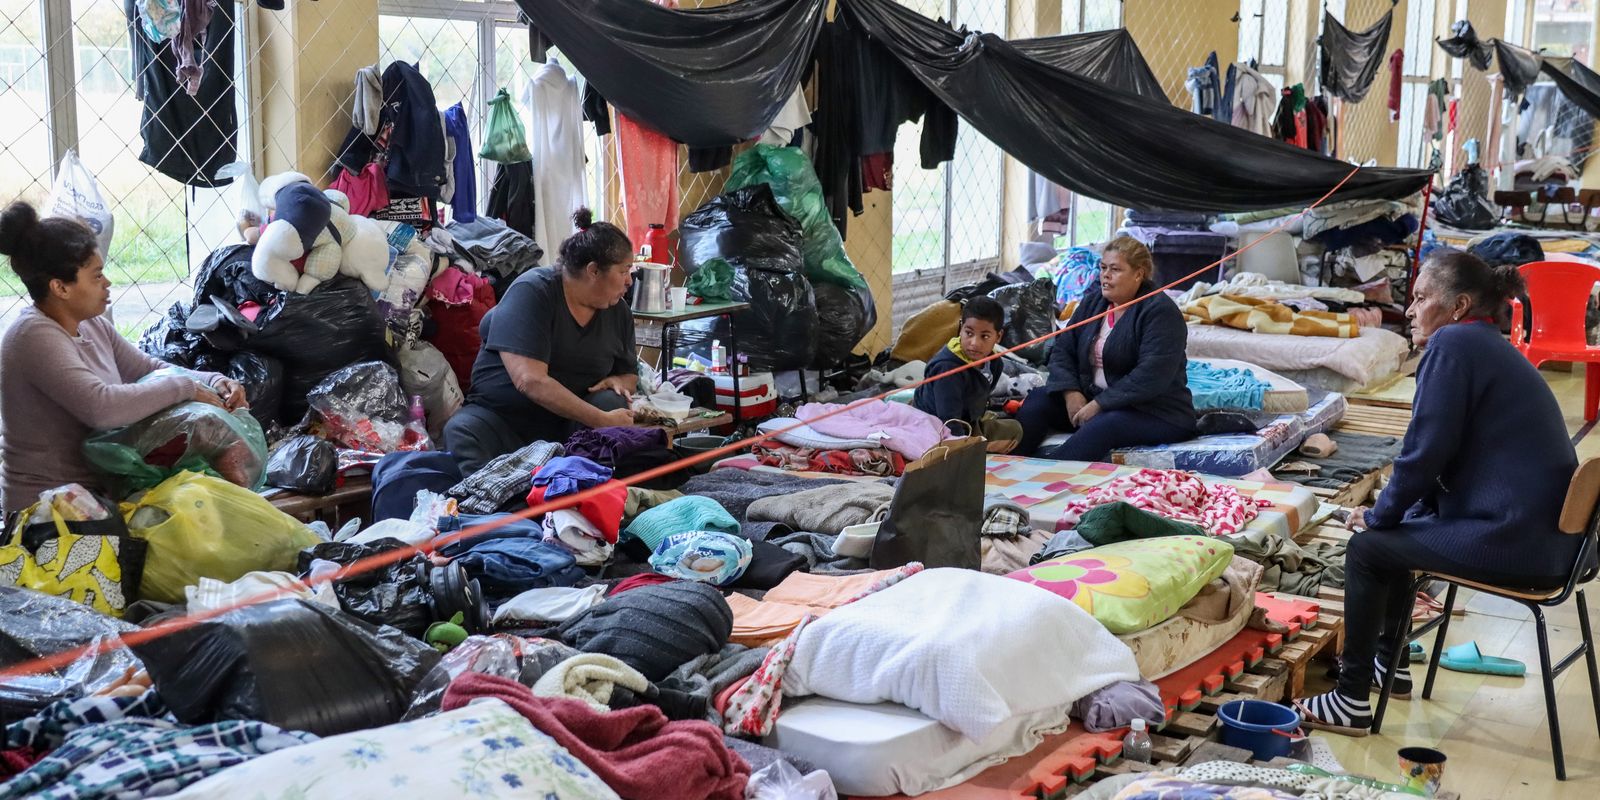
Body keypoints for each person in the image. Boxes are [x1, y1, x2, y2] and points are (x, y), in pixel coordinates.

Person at [1295, 250, 1578, 736]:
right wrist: (1394, 514)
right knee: (1398, 533)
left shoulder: (1454, 345)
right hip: (1557, 544)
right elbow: (1444, 458)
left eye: (1422, 297)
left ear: (1459, 306)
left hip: (1518, 543)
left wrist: (1378, 516)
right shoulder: (1486, 345)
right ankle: (1392, 666)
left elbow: (1424, 452)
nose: (1409, 309)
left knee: (1368, 549)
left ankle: (1351, 699)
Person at [0, 202, 247, 517]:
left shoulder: (90, 323)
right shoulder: (32, 336)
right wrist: (184, 387)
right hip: (48, 514)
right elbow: (101, 407)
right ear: (60, 287)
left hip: (97, 499)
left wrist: (214, 382)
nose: (107, 283)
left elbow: (147, 369)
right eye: (96, 276)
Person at [445, 209, 639, 474]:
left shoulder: (617, 311)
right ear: (593, 270)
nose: (630, 281)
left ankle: (579, 491)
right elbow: (530, 380)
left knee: (611, 401)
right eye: (624, 270)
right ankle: (501, 503)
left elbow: (629, 376)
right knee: (463, 429)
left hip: (568, 427)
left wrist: (618, 383)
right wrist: (601, 419)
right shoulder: (533, 291)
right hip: (504, 423)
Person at [1015, 236, 1195, 459]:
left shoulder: (1160, 312)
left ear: (1138, 274)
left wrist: (1100, 404)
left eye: (1115, 269)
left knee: (1104, 425)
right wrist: (1071, 393)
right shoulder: (1093, 303)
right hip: (1096, 400)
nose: (1105, 276)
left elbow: (1151, 375)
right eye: (1102, 268)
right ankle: (1008, 464)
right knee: (1038, 401)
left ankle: (1046, 479)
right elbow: (1063, 350)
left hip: (1155, 411)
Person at [913, 296, 1022, 453]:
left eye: (984, 336)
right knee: (1013, 433)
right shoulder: (948, 370)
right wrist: (962, 449)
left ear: (998, 336)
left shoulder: (994, 362)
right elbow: (949, 422)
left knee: (1014, 426)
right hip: (937, 427)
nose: (974, 343)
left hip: (966, 417)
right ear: (960, 328)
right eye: (969, 333)